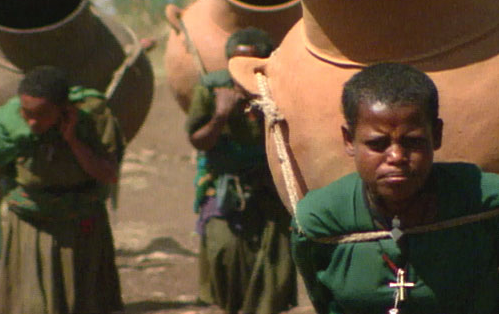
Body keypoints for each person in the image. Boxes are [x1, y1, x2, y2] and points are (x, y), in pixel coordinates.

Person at [291, 62, 499, 314]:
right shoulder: (319, 223)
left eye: (412, 141)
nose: (397, 156)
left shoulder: (484, 205)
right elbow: (323, 302)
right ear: (349, 140)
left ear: (437, 134)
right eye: (378, 143)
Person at [0, 66, 124, 314]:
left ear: (64, 109)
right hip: (31, 224)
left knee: (83, 303)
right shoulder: (9, 128)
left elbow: (108, 174)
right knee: (31, 305)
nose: (32, 122)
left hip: (80, 225)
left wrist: (73, 140)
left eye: (42, 114)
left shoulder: (93, 119)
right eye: (26, 113)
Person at [186, 27, 297, 314]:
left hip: (269, 192)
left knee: (274, 272)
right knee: (224, 256)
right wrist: (221, 115)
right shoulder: (212, 88)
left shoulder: (281, 88)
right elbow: (198, 140)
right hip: (226, 189)